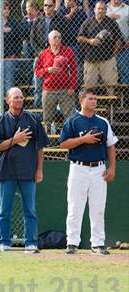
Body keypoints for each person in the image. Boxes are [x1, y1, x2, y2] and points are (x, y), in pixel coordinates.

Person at [0, 87, 49, 253]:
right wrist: (15, 140)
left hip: (28, 171)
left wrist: (39, 170)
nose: (18, 100)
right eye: (15, 98)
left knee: (30, 210)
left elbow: (40, 147)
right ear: (7, 100)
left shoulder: (32, 119)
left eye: (21, 97)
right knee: (4, 211)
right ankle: (4, 242)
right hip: (6, 171)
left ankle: (30, 243)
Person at [59, 88, 118, 255]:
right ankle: (72, 243)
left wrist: (112, 167)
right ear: (81, 100)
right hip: (78, 168)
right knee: (75, 206)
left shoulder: (102, 121)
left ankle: (98, 243)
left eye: (95, 98)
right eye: (90, 98)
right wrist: (83, 139)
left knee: (98, 207)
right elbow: (63, 144)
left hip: (99, 168)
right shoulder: (72, 121)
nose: (94, 101)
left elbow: (111, 145)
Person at [77, 1, 124, 94]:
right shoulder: (88, 22)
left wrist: (114, 54)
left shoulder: (112, 23)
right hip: (91, 60)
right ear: (94, 10)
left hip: (107, 59)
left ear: (106, 10)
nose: (100, 11)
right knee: (89, 86)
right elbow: (79, 37)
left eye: (103, 9)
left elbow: (118, 40)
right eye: (98, 8)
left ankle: (111, 107)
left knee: (111, 86)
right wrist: (90, 41)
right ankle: (91, 106)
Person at [35, 30, 77, 133]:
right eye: (55, 37)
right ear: (49, 40)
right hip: (49, 90)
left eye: (59, 37)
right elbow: (37, 71)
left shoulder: (68, 51)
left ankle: (70, 136)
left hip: (65, 90)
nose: (58, 39)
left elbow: (74, 70)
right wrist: (47, 70)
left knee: (70, 116)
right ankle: (48, 139)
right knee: (47, 118)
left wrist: (72, 86)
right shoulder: (43, 54)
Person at [30, 0, 67, 108]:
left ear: (54, 6)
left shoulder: (60, 20)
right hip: (41, 54)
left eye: (50, 6)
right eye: (45, 5)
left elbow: (64, 38)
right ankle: (38, 105)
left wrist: (56, 51)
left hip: (56, 55)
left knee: (57, 81)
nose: (47, 8)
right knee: (38, 81)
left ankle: (56, 106)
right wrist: (40, 52)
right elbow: (32, 39)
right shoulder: (38, 21)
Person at [106, 0, 128, 84]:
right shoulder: (104, 7)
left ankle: (125, 92)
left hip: (123, 46)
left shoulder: (127, 9)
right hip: (105, 47)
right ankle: (108, 92)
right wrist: (108, 17)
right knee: (107, 71)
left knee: (124, 70)